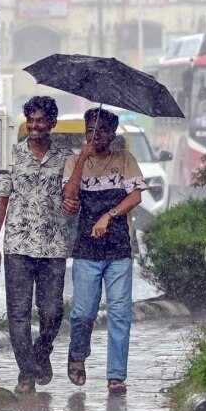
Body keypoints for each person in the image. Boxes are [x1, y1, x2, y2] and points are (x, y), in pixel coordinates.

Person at [62, 108, 145, 395]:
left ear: (113, 134)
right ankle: (77, 355)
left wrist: (109, 215)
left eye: (103, 131)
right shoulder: (75, 160)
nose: (96, 135)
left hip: (119, 250)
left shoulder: (124, 160)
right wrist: (82, 158)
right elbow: (69, 197)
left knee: (120, 313)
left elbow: (135, 195)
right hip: (86, 250)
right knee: (83, 312)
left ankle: (116, 375)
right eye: (91, 130)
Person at [0, 96, 72, 396]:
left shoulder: (66, 158)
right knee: (18, 313)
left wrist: (72, 198)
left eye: (41, 120)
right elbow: (2, 199)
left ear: (52, 123)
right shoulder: (12, 156)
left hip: (53, 246)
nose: (36, 126)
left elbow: (71, 198)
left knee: (53, 311)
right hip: (17, 245)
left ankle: (42, 352)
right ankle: (26, 372)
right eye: (31, 120)